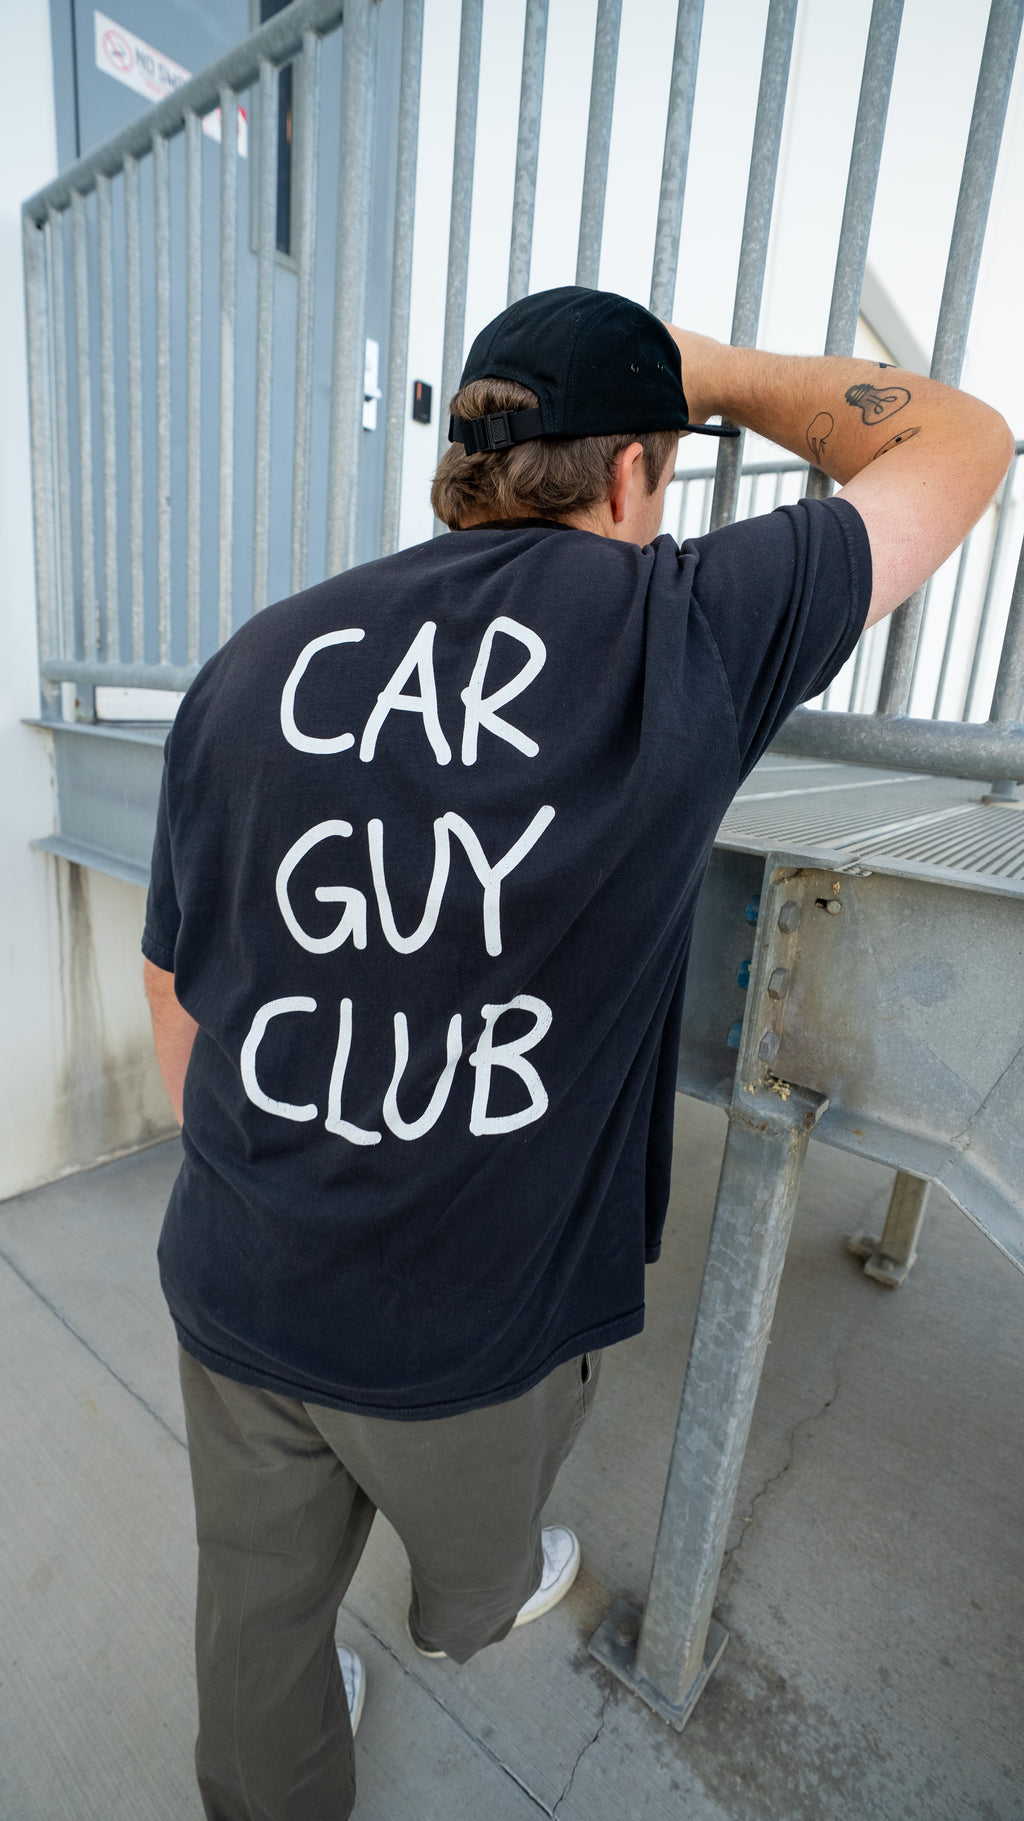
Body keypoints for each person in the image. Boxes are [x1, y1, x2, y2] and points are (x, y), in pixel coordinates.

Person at [143, 285, 1011, 1821]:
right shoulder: (681, 627)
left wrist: (264, 1204)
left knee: (253, 1615)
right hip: (473, 1327)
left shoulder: (253, 660)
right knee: (478, 1554)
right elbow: (966, 440)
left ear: (462, 470)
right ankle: (468, 1607)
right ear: (634, 474)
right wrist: (718, 370)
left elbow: (176, 974)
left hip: (233, 1270)